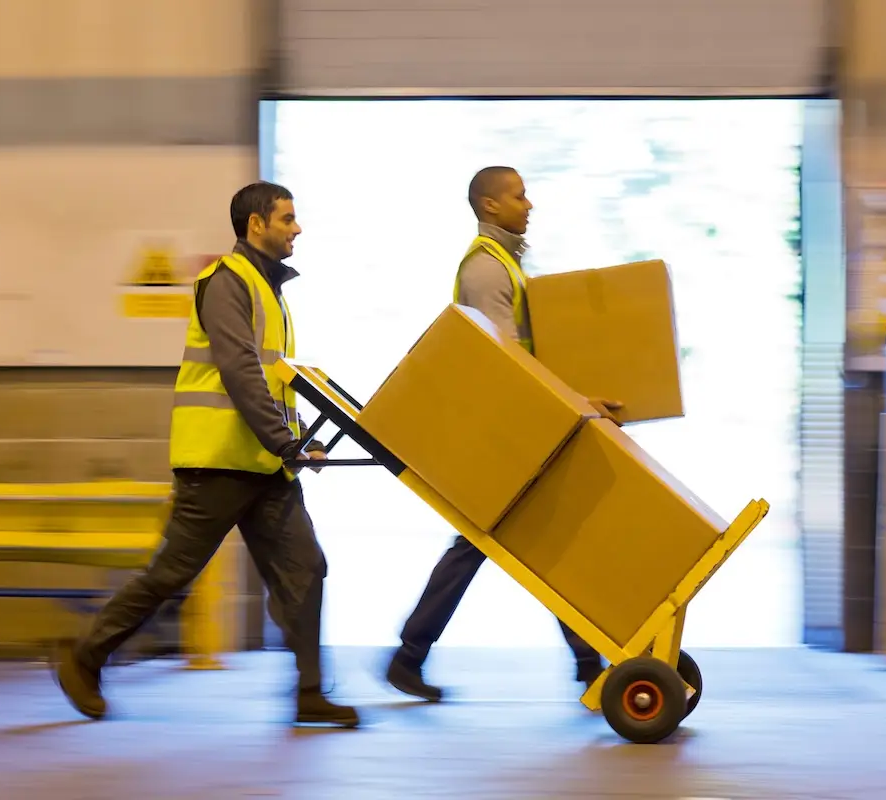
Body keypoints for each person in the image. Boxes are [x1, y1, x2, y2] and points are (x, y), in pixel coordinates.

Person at [53, 182, 358, 728]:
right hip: (217, 463)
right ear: (256, 224)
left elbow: (274, 380)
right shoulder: (225, 282)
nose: (298, 228)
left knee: (306, 568)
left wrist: (300, 437)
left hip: (264, 465)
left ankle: (311, 692)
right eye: (287, 218)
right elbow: (239, 372)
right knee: (171, 574)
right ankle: (84, 658)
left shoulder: (270, 290)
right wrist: (284, 441)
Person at [384, 166, 621, 702]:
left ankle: (586, 662)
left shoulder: (505, 265)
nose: (528, 204)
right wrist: (577, 404)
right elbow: (508, 362)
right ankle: (587, 663)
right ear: (490, 205)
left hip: (514, 431)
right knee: (505, 544)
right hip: (502, 437)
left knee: (514, 544)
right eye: (519, 196)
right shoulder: (487, 269)